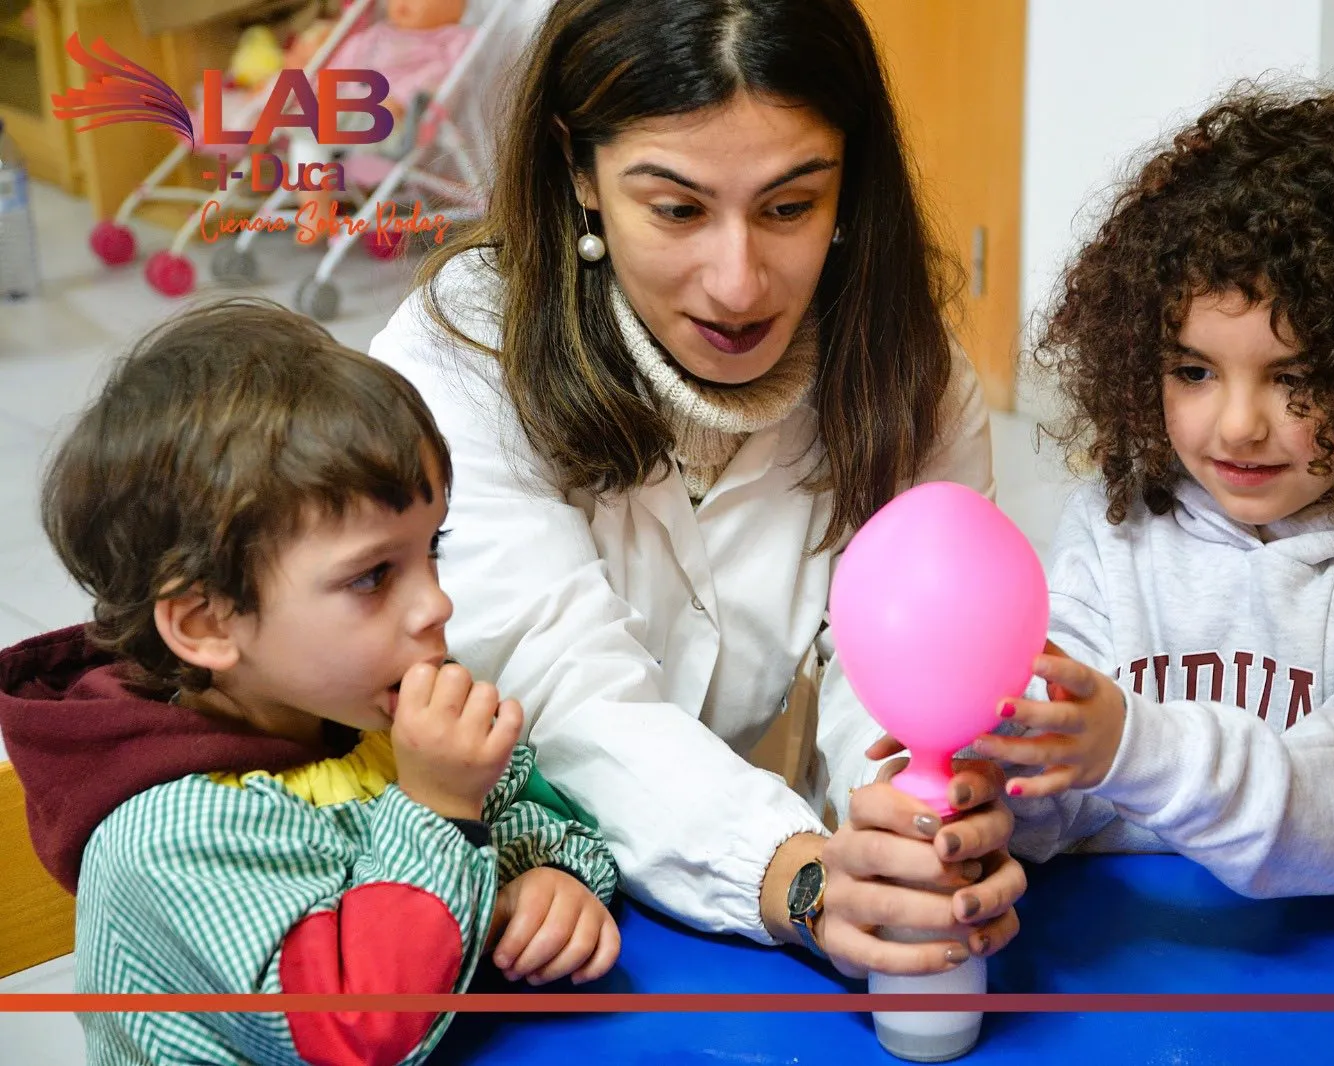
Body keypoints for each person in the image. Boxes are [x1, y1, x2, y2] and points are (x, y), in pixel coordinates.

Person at [367, 0, 1024, 976]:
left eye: (790, 206)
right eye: (676, 209)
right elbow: (561, 692)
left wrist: (902, 833)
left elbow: (894, 666)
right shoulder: (461, 351)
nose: (739, 283)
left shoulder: (909, 376)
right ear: (578, 172)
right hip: (523, 890)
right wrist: (798, 874)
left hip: (714, 900)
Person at [0, 300, 619, 1065]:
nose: (436, 604)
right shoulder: (165, 838)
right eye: (372, 577)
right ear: (207, 624)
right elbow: (353, 1032)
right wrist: (439, 809)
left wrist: (549, 881)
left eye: (433, 550)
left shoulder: (378, 713)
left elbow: (542, 813)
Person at [980, 86, 1334, 896]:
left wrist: (1135, 749)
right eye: (1195, 371)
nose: (1238, 426)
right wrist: (998, 788)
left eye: (1298, 377)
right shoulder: (1113, 530)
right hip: (1140, 969)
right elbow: (1066, 784)